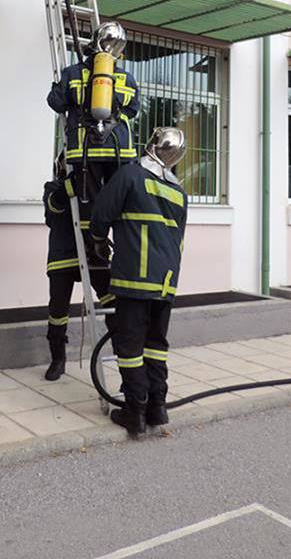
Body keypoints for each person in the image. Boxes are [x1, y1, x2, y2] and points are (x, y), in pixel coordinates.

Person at [89, 127, 189, 437]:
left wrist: (98, 241)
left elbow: (100, 215)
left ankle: (135, 412)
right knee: (156, 345)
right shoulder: (179, 192)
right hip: (166, 280)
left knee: (129, 346)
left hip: (135, 277)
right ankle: (157, 407)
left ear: (153, 145)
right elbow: (179, 239)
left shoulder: (130, 175)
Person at [47, 21, 140, 204]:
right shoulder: (127, 79)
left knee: (89, 202)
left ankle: (81, 217)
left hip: (84, 150)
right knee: (117, 201)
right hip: (120, 150)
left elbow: (56, 103)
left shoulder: (73, 74)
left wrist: (57, 87)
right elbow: (132, 110)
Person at [43, 154, 115, 381]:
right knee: (57, 311)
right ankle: (58, 360)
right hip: (62, 257)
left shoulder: (95, 189)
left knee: (114, 302)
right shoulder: (52, 187)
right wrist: (69, 186)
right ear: (60, 166)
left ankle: (123, 348)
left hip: (94, 256)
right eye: (68, 162)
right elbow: (52, 211)